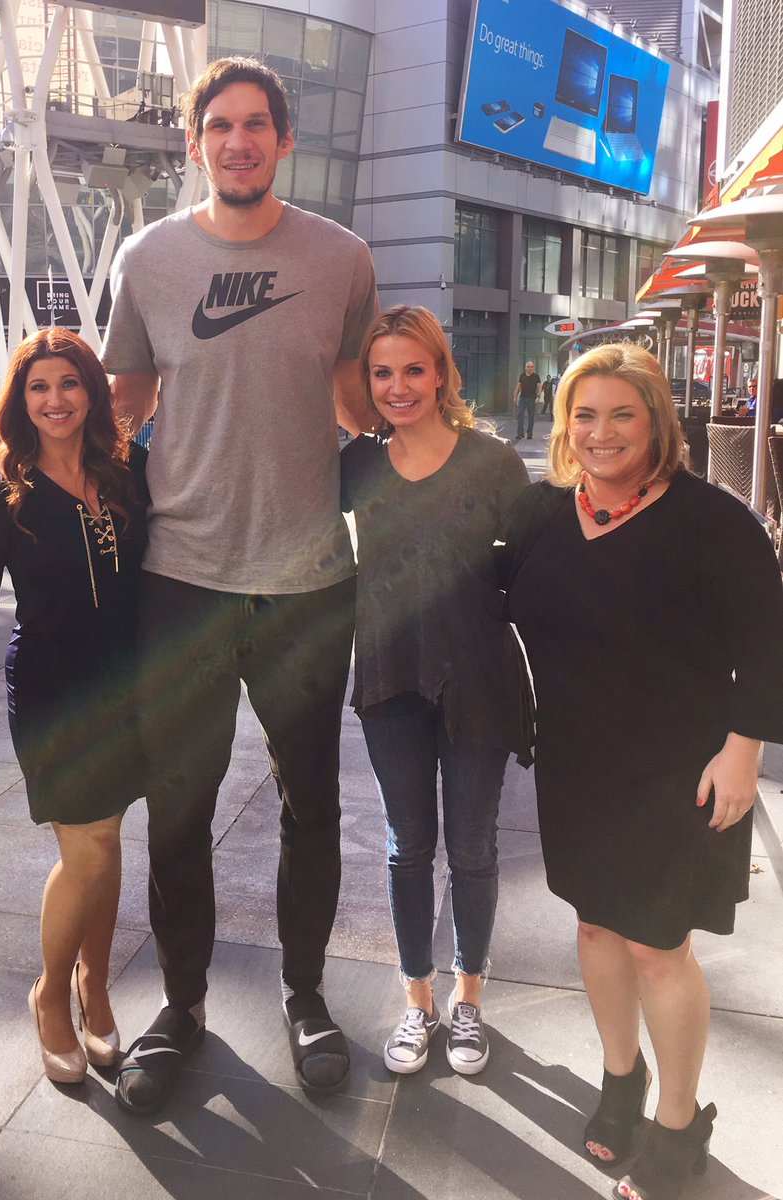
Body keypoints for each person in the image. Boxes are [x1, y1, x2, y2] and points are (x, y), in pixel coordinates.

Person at [100, 56, 378, 1114]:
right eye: (219, 125)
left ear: (284, 141)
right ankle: (180, 1003)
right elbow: (120, 403)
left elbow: (361, 401)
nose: (239, 141)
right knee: (176, 811)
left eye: (257, 124)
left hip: (308, 576)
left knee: (313, 805)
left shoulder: (341, 257)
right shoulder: (149, 258)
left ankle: (306, 993)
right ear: (193, 142)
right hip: (184, 575)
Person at [502, 343, 783, 1200]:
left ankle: (677, 1120)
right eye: (583, 415)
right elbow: (476, 596)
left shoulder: (711, 519)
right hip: (577, 763)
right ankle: (619, 1080)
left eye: (622, 413)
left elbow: (767, 643)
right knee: (594, 929)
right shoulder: (541, 513)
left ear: (657, 422)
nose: (600, 432)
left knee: (658, 947)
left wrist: (745, 749)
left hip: (679, 770)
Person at [0, 329, 149, 1085]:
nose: (55, 399)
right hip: (53, 692)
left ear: (93, 393)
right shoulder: (4, 495)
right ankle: (50, 994)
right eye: (39, 387)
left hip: (130, 685)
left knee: (107, 842)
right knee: (88, 846)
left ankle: (95, 984)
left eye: (70, 383)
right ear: (19, 401)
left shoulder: (129, 473)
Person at [341, 306, 529, 1076]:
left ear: (443, 373)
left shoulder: (492, 463)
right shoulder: (356, 464)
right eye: (381, 372)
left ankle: (468, 999)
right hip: (389, 675)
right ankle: (417, 1001)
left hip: (477, 678)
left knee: (474, 846)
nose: (397, 386)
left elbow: (531, 579)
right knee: (406, 846)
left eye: (413, 369)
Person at [513, 360, 541, 440]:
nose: (530, 368)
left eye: (531, 367)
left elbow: (539, 387)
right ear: (526, 368)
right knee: (520, 415)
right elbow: (518, 387)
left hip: (532, 399)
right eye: (528, 367)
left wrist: (538, 397)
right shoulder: (522, 376)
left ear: (533, 368)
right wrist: (515, 396)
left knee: (531, 416)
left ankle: (529, 433)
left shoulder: (536, 376)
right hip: (523, 398)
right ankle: (520, 433)